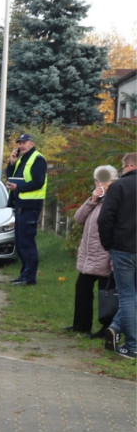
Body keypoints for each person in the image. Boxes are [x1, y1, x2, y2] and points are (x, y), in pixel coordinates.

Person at [66, 165, 117, 337]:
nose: (99, 184)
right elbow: (79, 218)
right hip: (89, 257)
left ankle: (107, 329)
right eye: (97, 181)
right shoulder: (96, 201)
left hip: (105, 256)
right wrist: (92, 200)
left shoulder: (116, 201)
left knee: (106, 295)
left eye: (104, 181)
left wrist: (113, 260)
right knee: (82, 289)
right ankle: (80, 325)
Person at [98, 151, 137, 359]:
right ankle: (115, 328)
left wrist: (108, 244)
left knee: (128, 297)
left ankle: (132, 346)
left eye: (122, 168)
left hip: (123, 249)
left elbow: (105, 219)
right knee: (134, 296)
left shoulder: (119, 187)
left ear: (129, 166)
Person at [5, 133, 47, 286]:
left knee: (27, 243)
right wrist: (12, 163)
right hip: (21, 205)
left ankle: (29, 278)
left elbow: (38, 182)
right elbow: (10, 177)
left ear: (32, 144)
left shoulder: (37, 159)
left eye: (25, 142)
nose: (21, 145)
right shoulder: (22, 159)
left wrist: (19, 188)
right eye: (20, 143)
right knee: (21, 242)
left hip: (31, 206)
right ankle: (24, 275)